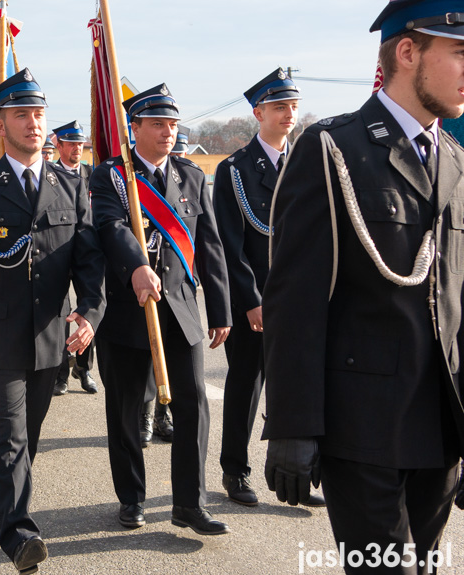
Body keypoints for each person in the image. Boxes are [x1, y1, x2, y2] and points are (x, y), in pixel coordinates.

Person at [262, 2, 464, 573]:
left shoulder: (455, 159)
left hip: (441, 432)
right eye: (460, 53)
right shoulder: (333, 150)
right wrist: (292, 426)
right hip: (362, 430)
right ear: (407, 52)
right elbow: (295, 302)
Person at [0, 68, 105, 574]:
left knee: (28, 435)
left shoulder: (70, 185)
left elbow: (88, 260)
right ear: (0, 123)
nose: (33, 123)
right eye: (21, 114)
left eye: (38, 114)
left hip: (50, 336)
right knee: (8, 433)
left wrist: (90, 313)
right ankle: (19, 532)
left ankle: (5, 508)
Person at [90, 83, 232, 535]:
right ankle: (131, 497)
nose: (168, 132)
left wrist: (222, 307)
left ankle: (189, 503)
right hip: (129, 311)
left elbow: (208, 243)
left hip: (182, 309)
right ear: (135, 128)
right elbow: (110, 225)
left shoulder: (191, 175)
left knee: (193, 405)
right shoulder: (111, 175)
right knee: (127, 409)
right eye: (158, 124)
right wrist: (136, 265)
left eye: (172, 124)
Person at [212, 68, 324, 509]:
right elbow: (229, 246)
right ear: (258, 113)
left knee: (300, 389)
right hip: (254, 304)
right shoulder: (234, 170)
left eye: (293, 106)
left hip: (301, 304)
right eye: (279, 107)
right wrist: (251, 302)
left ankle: (296, 475)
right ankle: (234, 471)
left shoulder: (307, 164)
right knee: (245, 388)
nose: (288, 114)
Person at [50, 120, 98, 397]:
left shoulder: (93, 174)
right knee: (60, 315)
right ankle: (60, 373)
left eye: (80, 144)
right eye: (71, 143)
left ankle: (84, 367)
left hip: (88, 250)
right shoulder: (51, 175)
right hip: (60, 250)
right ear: (59, 145)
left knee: (88, 310)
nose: (77, 148)